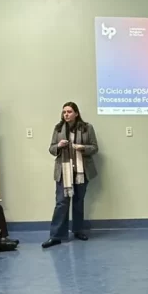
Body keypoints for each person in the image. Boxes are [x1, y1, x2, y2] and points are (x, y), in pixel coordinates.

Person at [43, 102, 100, 249]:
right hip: (64, 171)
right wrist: (59, 146)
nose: (66, 114)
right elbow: (51, 148)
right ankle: (56, 236)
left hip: (82, 171)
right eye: (64, 112)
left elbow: (94, 148)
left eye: (69, 112)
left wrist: (82, 148)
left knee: (78, 202)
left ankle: (78, 230)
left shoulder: (87, 128)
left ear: (76, 113)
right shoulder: (58, 128)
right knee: (61, 203)